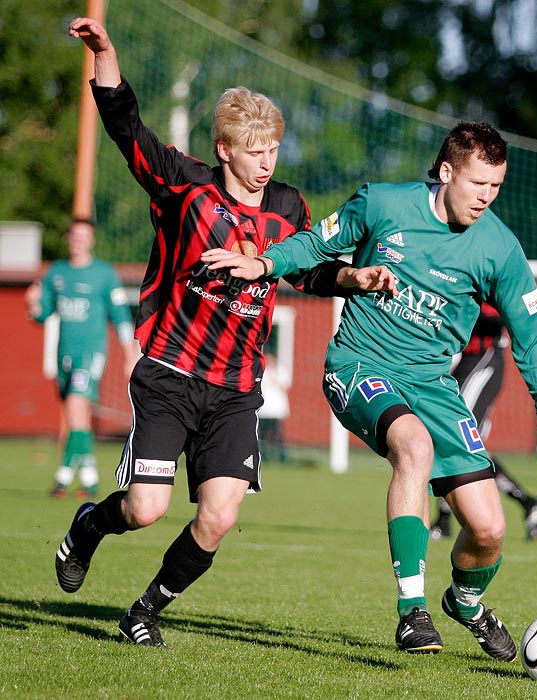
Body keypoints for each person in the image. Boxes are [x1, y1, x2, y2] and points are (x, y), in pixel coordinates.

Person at [57, 17, 394, 649]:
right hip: (171, 374)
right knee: (145, 510)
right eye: (253, 151)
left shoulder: (288, 207)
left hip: (237, 388)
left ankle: (144, 611)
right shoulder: (185, 185)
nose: (266, 163)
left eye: (272, 150)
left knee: (218, 516)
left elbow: (309, 272)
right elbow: (124, 126)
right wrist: (106, 53)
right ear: (224, 149)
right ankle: (87, 529)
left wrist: (357, 278)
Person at [203, 121, 537, 661]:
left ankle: (466, 604)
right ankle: (412, 611)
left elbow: (534, 333)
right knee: (415, 448)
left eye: (495, 187)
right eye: (477, 184)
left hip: (432, 383)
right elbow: (314, 243)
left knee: (490, 529)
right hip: (359, 364)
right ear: (446, 171)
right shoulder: (383, 203)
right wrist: (264, 262)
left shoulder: (499, 247)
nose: (485, 198)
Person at [25, 218, 136, 499]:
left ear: (92, 240)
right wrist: (33, 304)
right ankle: (89, 480)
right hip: (64, 354)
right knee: (77, 418)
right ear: (68, 239)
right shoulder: (56, 273)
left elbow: (120, 316)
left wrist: (129, 354)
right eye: (75, 236)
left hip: (91, 354)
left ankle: (62, 477)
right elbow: (43, 314)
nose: (79, 241)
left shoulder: (103, 273)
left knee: (76, 408)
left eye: (84, 236)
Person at [430, 303, 537, 542]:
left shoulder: (485, 282)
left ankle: (446, 519)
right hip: (468, 362)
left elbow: (501, 315)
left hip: (484, 360)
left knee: (457, 438)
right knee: (451, 441)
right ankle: (526, 501)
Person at [258, 352, 291, 462]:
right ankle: (263, 456)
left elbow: (285, 386)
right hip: (263, 410)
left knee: (278, 436)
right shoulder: (261, 371)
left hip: (276, 411)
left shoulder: (280, 371)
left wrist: (274, 377)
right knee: (262, 436)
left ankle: (282, 457)